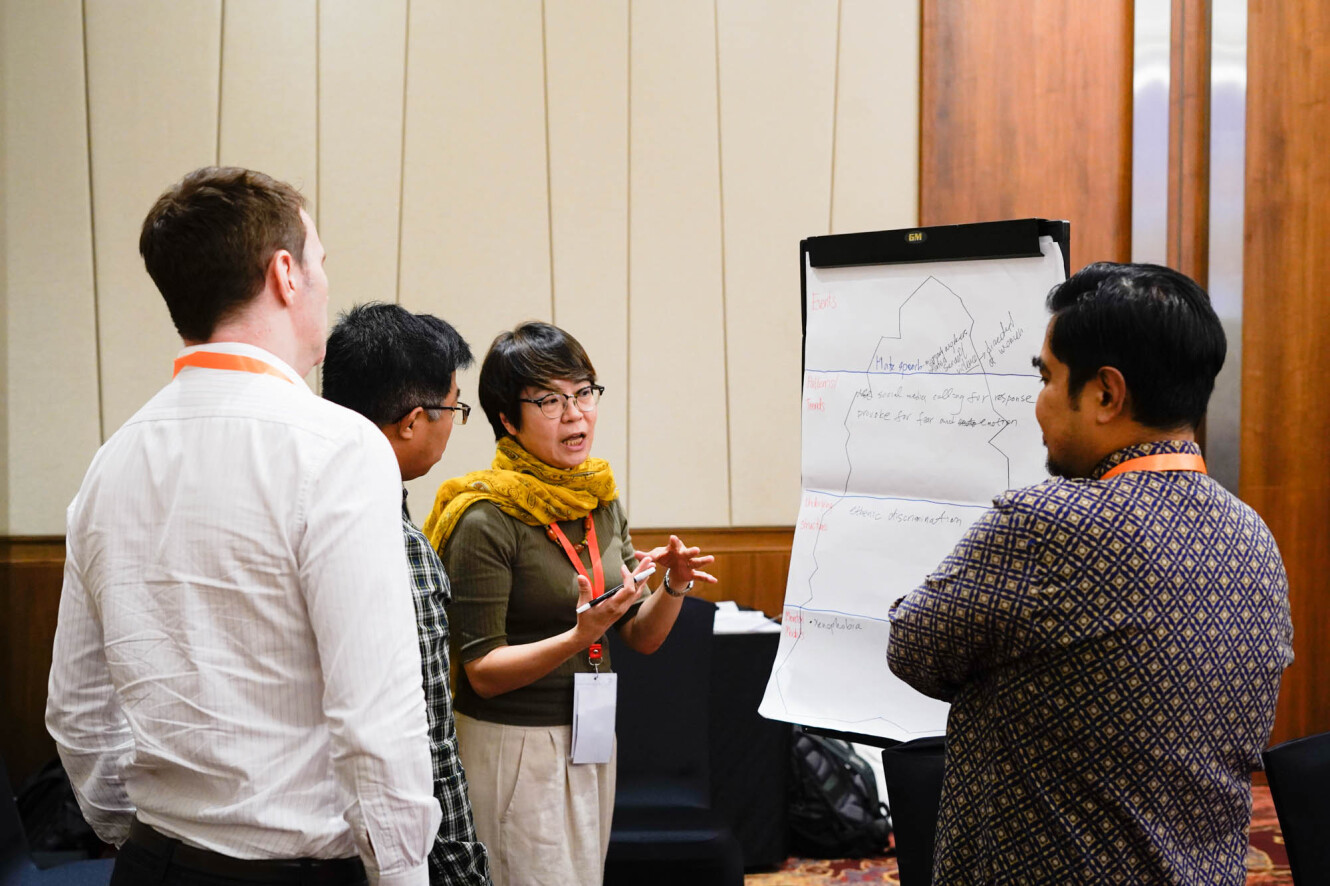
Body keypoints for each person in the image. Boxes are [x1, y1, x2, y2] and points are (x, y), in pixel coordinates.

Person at [45, 167, 440, 886]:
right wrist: (405, 873)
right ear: (285, 274)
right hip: (297, 871)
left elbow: (77, 711)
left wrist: (137, 835)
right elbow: (375, 721)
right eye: (320, 261)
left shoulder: (112, 460)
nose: (323, 281)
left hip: (154, 864)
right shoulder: (340, 449)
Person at [886, 262, 1294, 885]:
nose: (1038, 404)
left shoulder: (1050, 525)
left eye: (1046, 377)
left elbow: (912, 647)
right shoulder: (1254, 538)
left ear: (1106, 393)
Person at [422, 321, 717, 886]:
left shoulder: (598, 500)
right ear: (508, 419)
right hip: (513, 746)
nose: (576, 413)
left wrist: (673, 588)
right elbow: (481, 672)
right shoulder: (485, 517)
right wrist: (580, 636)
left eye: (584, 392)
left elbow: (640, 637)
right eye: (550, 401)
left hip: (590, 736)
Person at [321, 303, 491, 886]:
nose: (453, 423)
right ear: (414, 420)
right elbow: (427, 731)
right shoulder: (393, 543)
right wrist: (463, 865)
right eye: (454, 408)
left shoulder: (309, 506)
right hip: (375, 853)